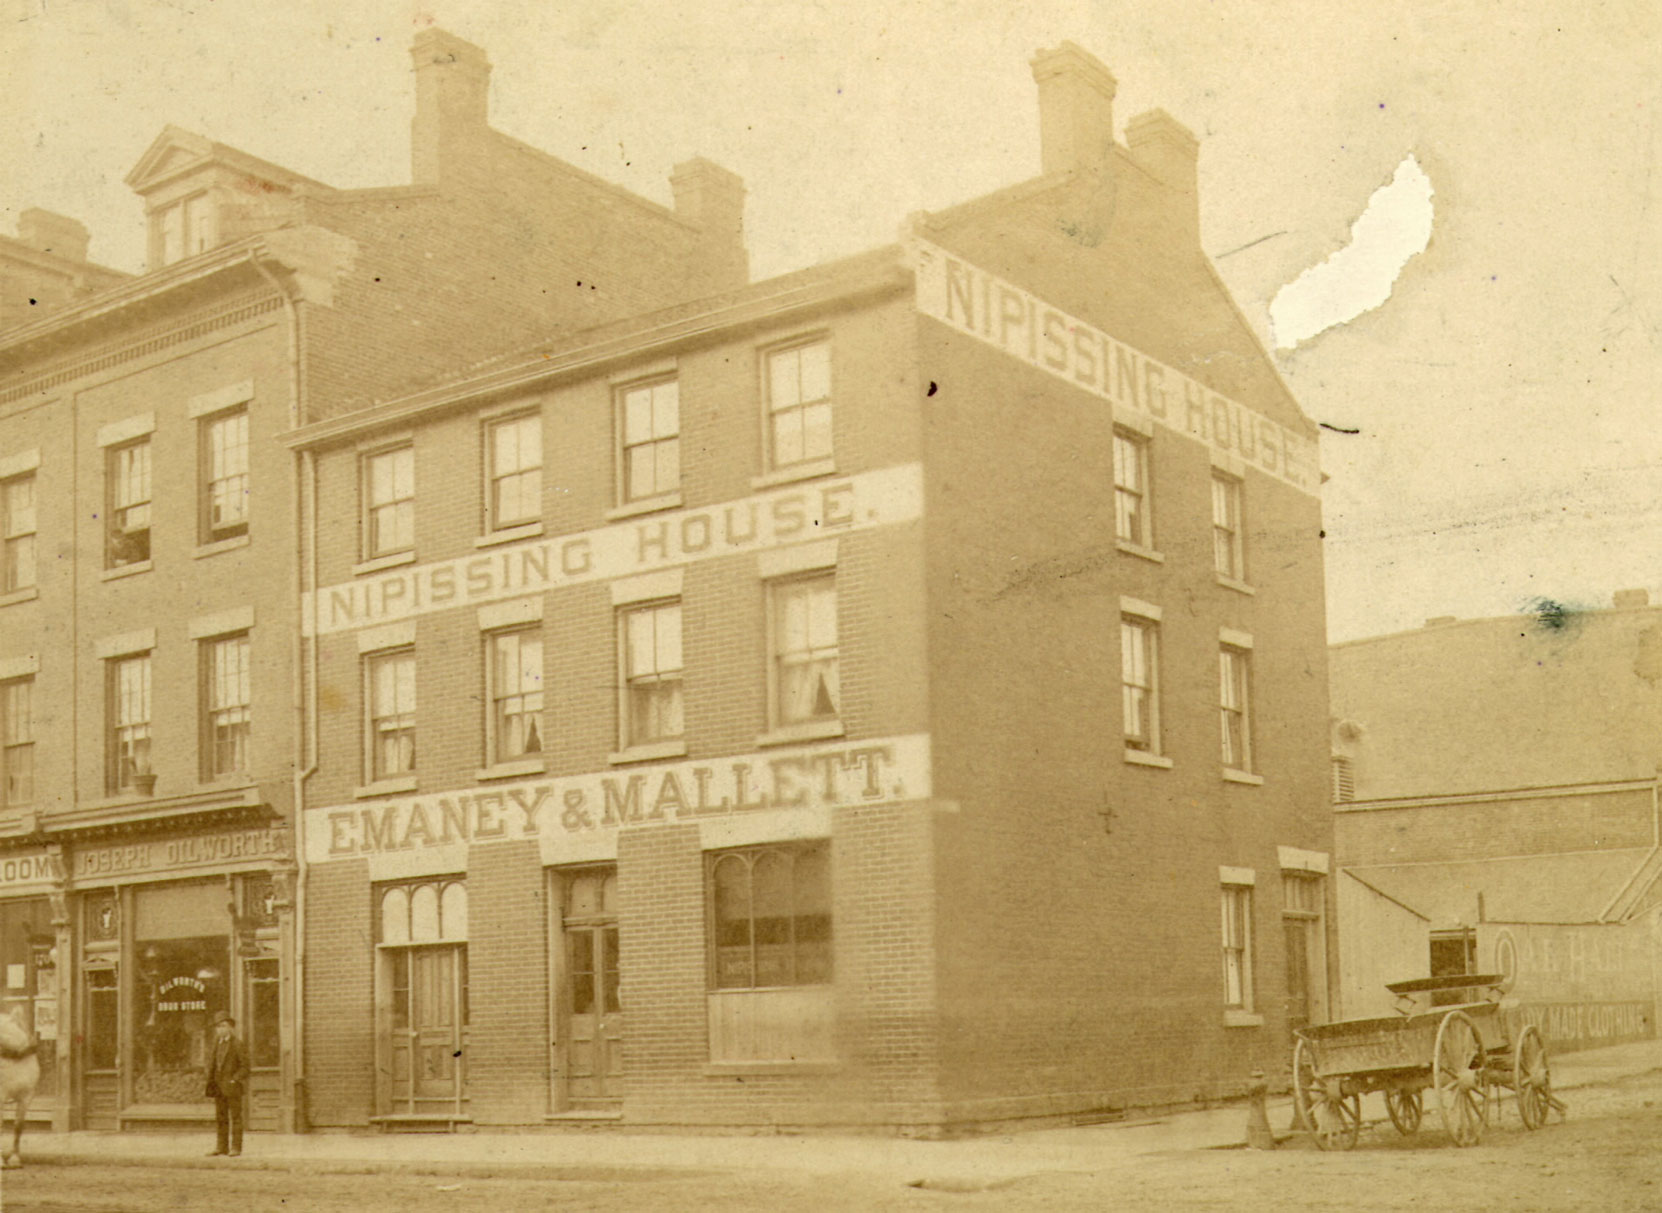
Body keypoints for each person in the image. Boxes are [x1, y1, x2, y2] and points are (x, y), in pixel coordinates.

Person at [203, 1010, 248, 1157]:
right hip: (218, 1087)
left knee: (236, 1117)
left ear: (230, 1027)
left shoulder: (237, 1044)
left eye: (223, 1026)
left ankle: (236, 1148)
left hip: (232, 1087)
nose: (220, 1029)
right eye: (218, 1026)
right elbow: (213, 1064)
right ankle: (221, 1147)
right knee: (221, 1118)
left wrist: (234, 1079)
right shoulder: (216, 1043)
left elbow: (245, 1067)